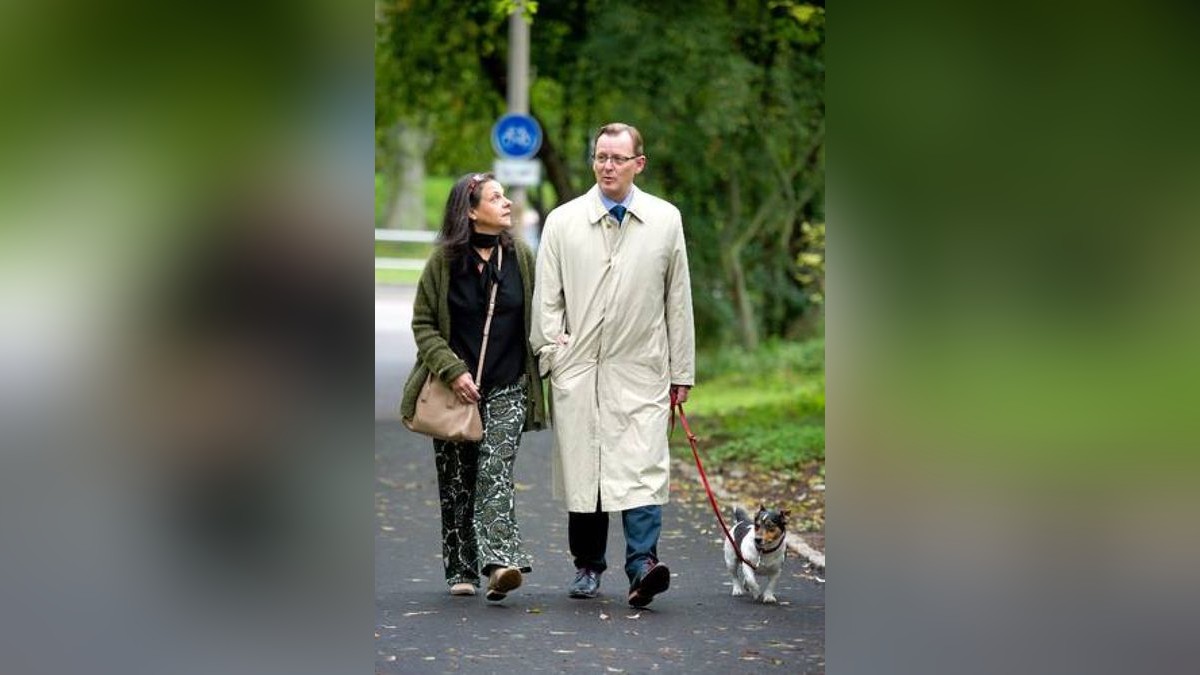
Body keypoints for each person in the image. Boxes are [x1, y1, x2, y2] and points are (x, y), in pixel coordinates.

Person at [531, 123, 695, 608]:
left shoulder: (665, 220)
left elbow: (678, 299)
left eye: (617, 158)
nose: (607, 166)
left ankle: (643, 564)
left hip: (641, 367)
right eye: (601, 156)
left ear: (637, 164)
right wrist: (552, 353)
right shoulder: (563, 221)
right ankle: (587, 565)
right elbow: (548, 298)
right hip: (578, 369)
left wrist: (681, 371)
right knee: (588, 473)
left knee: (643, 466)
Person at [400, 172, 546, 601]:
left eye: (505, 196)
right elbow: (423, 324)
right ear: (470, 210)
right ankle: (460, 567)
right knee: (457, 481)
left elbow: (541, 313)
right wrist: (452, 371)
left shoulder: (520, 256)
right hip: (453, 390)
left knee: (495, 472)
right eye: (496, 197)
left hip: (508, 385)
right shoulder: (443, 264)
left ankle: (501, 563)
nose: (506, 203)